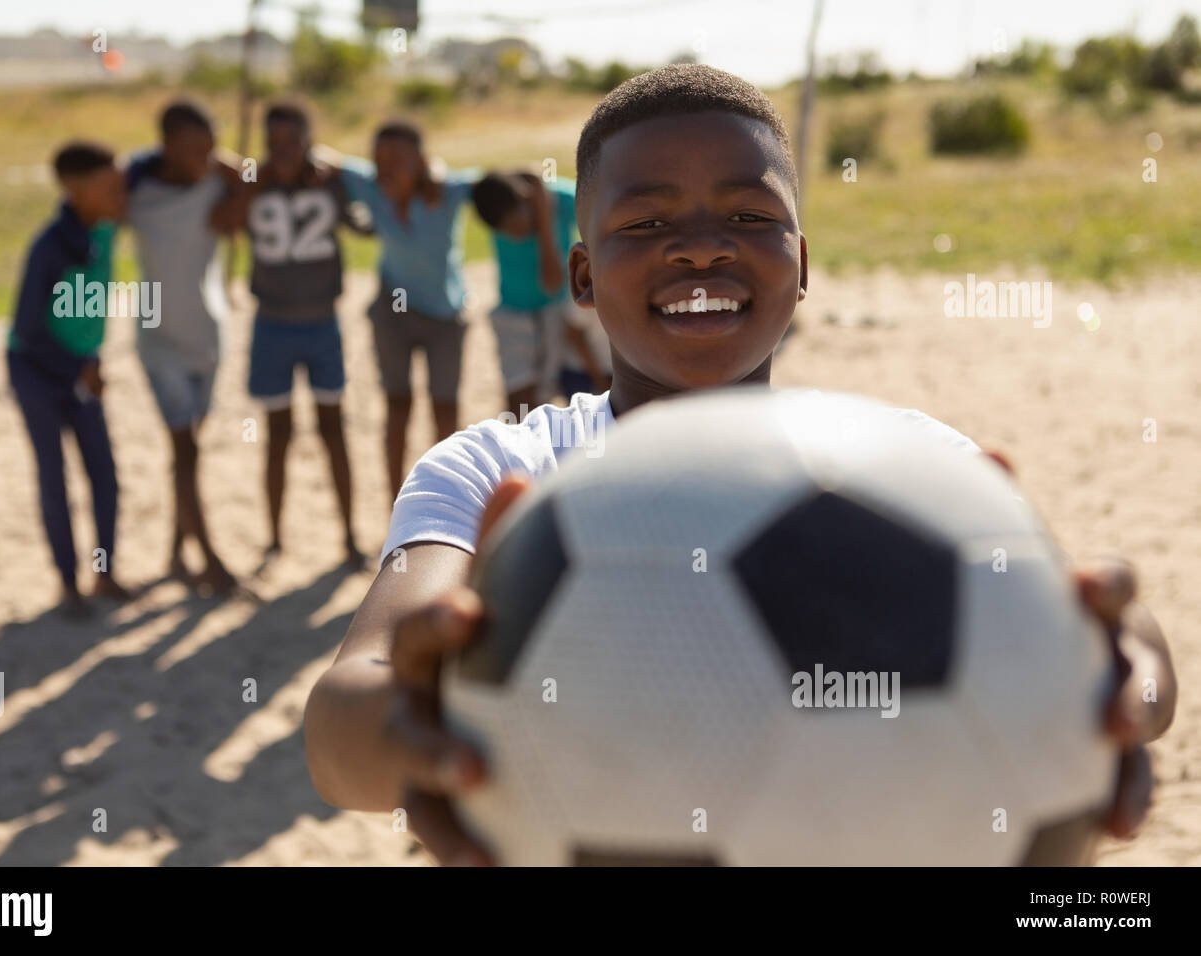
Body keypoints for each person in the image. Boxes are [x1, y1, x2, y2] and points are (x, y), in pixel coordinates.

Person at [302, 66, 1177, 864]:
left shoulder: (906, 473)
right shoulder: (501, 470)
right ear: (580, 273)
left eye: (750, 218)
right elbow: (344, 725)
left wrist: (1109, 671)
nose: (701, 248)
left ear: (802, 267)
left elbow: (1118, 634)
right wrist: (415, 718)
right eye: (646, 222)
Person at [230, 102, 368, 563]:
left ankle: (349, 535)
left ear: (309, 141)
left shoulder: (329, 182)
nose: (283, 151)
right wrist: (253, 178)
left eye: (293, 142)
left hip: (322, 322)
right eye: (275, 143)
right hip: (271, 323)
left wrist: (339, 173)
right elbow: (224, 221)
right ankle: (274, 537)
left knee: (334, 428)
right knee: (277, 433)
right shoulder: (256, 182)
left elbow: (365, 225)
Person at [7, 141, 132, 616]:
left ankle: (105, 573)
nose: (123, 192)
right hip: (38, 372)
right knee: (54, 476)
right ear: (75, 190)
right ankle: (68, 585)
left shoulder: (103, 226)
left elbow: (144, 165)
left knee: (104, 472)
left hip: (84, 368)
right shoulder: (50, 248)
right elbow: (27, 329)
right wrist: (80, 369)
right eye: (111, 185)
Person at [125, 100, 241, 594]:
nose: (202, 157)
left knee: (189, 452)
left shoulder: (217, 187)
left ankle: (175, 551)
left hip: (208, 335)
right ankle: (211, 561)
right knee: (185, 448)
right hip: (159, 342)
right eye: (191, 148)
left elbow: (252, 185)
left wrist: (224, 164)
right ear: (165, 146)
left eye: (209, 147)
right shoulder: (138, 193)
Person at [332, 122, 478, 493]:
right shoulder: (368, 185)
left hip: (445, 315)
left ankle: (446, 495)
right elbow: (323, 159)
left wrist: (439, 172)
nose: (385, 168)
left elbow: (497, 182)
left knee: (445, 409)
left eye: (397, 159)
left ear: (421, 162)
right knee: (397, 407)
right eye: (378, 159)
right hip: (392, 313)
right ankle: (397, 502)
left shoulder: (446, 192)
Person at [471, 170, 578, 411]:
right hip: (512, 314)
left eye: (518, 223)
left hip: (558, 311)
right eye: (506, 230)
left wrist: (544, 221)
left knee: (565, 391)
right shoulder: (491, 201)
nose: (515, 233)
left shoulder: (562, 200)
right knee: (519, 401)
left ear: (525, 199)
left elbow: (552, 284)